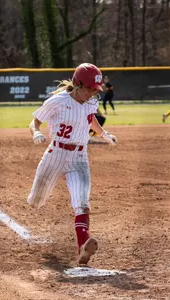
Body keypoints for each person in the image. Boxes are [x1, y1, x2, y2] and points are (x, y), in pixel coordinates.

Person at [27, 63, 117, 265]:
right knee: (35, 201)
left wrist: (103, 134)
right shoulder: (58, 101)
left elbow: (90, 118)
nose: (94, 92)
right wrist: (37, 132)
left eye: (96, 89)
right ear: (77, 84)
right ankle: (81, 242)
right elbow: (34, 121)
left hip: (79, 157)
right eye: (90, 88)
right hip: (55, 154)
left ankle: (83, 247)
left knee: (82, 203)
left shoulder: (91, 102)